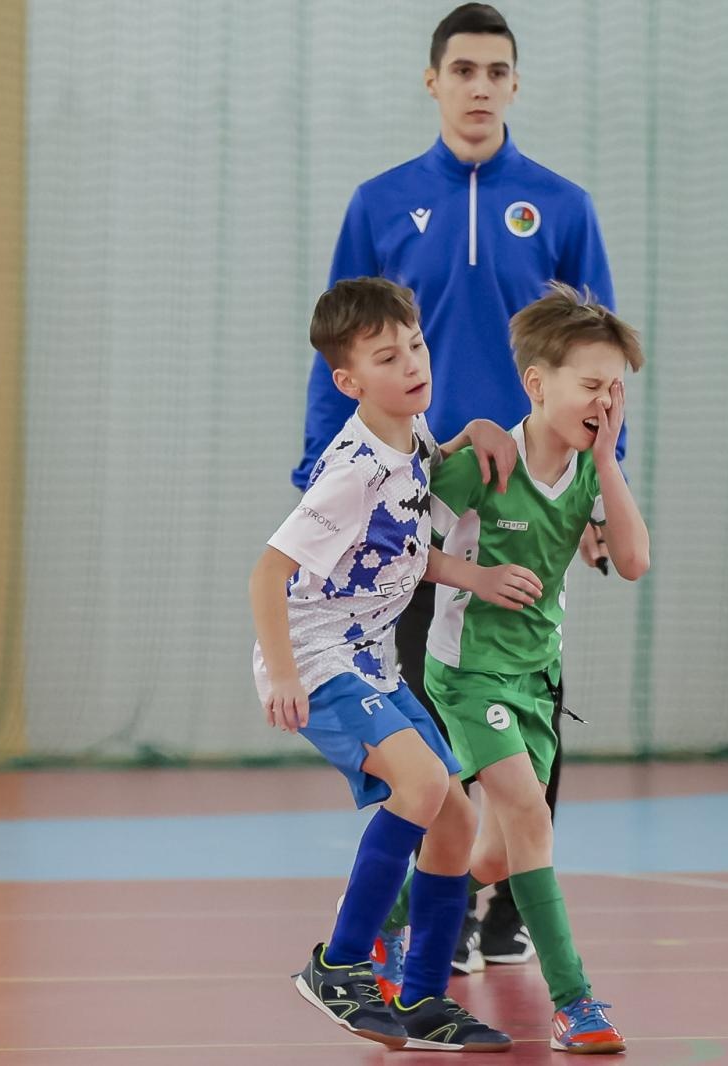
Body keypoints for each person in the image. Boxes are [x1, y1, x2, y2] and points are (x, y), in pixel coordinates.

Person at [293, 2, 619, 978]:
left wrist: (602, 492)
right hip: (420, 485)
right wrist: (318, 469)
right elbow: (337, 347)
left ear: (515, 85)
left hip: (531, 491)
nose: (480, 86)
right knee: (419, 691)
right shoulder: (381, 203)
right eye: (463, 70)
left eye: (497, 71)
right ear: (433, 81)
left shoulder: (561, 206)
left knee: (521, 687)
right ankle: (424, 903)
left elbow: (599, 361)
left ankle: (507, 902)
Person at [251, 277, 542, 1051]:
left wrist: (475, 567)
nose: (412, 363)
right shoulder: (353, 471)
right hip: (316, 658)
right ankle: (338, 964)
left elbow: (404, 552)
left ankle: (422, 999)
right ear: (350, 382)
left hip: (369, 659)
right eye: (387, 357)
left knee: (456, 816)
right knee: (421, 786)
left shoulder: (412, 440)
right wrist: (283, 674)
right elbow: (268, 572)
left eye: (415, 345)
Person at [425, 283, 649, 1052]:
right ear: (537, 383)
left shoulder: (589, 471)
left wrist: (608, 461)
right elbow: (397, 550)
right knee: (529, 817)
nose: (605, 402)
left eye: (616, 390)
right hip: (468, 673)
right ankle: (574, 1002)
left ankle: (389, 922)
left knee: (492, 854)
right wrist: (476, 577)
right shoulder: (484, 464)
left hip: (536, 679)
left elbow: (633, 560)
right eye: (591, 386)